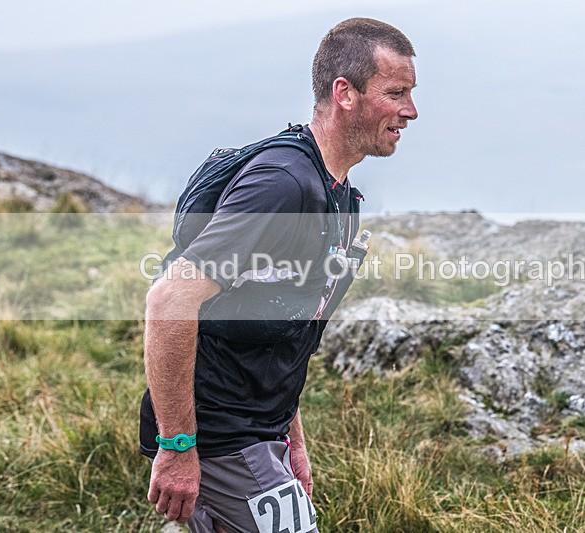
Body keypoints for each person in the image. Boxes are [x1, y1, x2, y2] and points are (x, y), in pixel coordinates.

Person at [139, 17, 418, 533]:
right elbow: (169, 301)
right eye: (396, 92)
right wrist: (177, 446)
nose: (411, 110)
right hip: (221, 433)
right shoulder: (283, 186)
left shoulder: (340, 197)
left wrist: (292, 442)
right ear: (345, 94)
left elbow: (285, 328)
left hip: (256, 433)